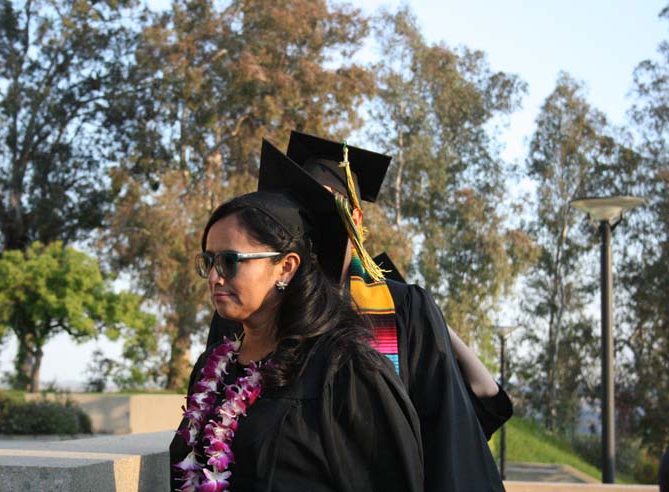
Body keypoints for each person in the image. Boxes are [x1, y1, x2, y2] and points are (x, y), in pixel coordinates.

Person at [209, 136, 510, 491]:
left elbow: (446, 425)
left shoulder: (402, 306)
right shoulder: (250, 311)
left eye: (324, 206)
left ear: (355, 218)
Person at [169, 187, 425, 491]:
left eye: (228, 261)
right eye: (208, 262)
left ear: (286, 267)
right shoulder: (212, 368)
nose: (214, 276)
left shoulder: (347, 368)